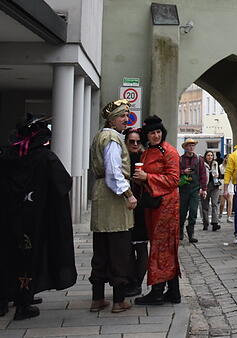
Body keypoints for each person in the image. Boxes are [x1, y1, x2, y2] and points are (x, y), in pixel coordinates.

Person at [0, 115, 76, 320]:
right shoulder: (45, 158)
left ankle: (2, 300)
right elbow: (63, 182)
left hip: (6, 220)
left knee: (5, 256)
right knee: (28, 259)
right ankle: (23, 304)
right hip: (32, 221)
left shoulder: (6, 157)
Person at [88, 99, 137, 314]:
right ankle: (118, 301)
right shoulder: (112, 138)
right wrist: (128, 194)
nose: (126, 120)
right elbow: (113, 171)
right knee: (119, 250)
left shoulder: (100, 135)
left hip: (101, 195)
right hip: (113, 199)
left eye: (126, 116)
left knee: (101, 250)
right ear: (111, 119)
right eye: (121, 116)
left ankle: (97, 298)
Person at [133, 115, 181, 305]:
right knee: (163, 246)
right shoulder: (146, 152)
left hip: (166, 206)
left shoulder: (168, 151)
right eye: (152, 132)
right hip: (152, 205)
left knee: (161, 246)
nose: (156, 135)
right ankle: (174, 291)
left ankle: (158, 291)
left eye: (158, 132)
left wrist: (147, 178)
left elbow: (173, 180)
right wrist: (140, 179)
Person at [124, 128, 149, 299]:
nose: (134, 144)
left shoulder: (144, 159)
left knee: (140, 246)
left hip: (141, 207)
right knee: (126, 248)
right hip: (123, 207)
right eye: (131, 141)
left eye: (137, 142)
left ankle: (137, 283)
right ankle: (128, 280)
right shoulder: (122, 157)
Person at [178, 138, 207, 243]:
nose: (191, 147)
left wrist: (204, 189)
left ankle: (191, 233)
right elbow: (175, 172)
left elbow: (203, 174)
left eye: (193, 145)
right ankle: (180, 231)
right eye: (189, 145)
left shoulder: (199, 159)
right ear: (185, 147)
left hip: (195, 189)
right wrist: (183, 171)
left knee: (193, 212)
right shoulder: (180, 159)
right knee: (182, 212)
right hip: (183, 189)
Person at [201, 150, 222, 231]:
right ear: (205, 156)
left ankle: (215, 223)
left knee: (215, 204)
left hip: (215, 186)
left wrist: (218, 175)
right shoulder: (202, 165)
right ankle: (205, 223)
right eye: (208, 155)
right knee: (205, 206)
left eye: (211, 155)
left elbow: (220, 174)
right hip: (205, 186)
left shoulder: (215, 164)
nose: (210, 157)